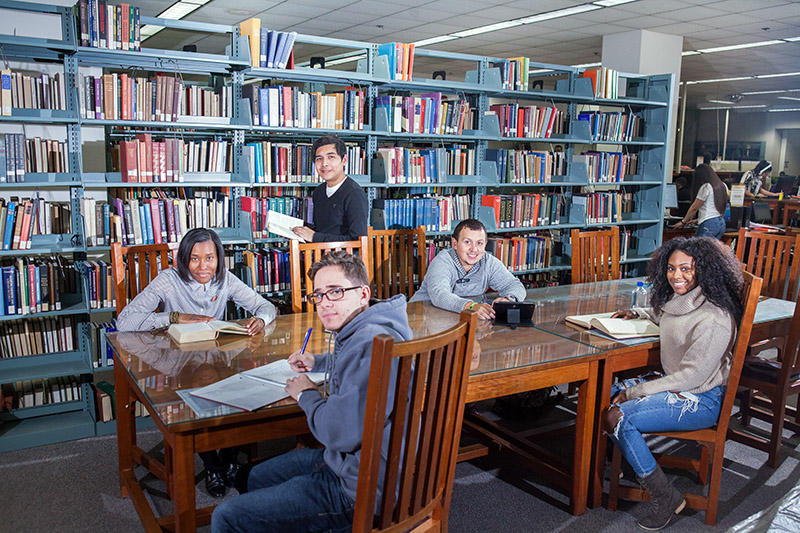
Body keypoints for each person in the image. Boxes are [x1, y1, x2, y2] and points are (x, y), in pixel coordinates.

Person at [211, 251, 412, 532]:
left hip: (360, 489)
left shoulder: (367, 342)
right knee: (249, 476)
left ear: (363, 294)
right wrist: (318, 361)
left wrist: (307, 394)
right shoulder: (377, 328)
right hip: (361, 464)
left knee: (226, 517)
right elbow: (360, 370)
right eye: (318, 295)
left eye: (336, 292)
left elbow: (340, 434)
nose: (325, 304)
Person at [116, 227, 277, 498]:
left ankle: (228, 458)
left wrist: (261, 319)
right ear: (184, 259)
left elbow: (266, 307)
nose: (203, 267)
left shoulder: (225, 279)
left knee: (242, 392)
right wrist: (174, 318)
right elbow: (125, 322)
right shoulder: (168, 280)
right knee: (195, 400)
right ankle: (211, 464)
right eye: (194, 259)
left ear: (219, 258)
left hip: (219, 358)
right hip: (179, 363)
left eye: (210, 258)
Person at [605, 237, 744, 530]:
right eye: (670, 268)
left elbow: (692, 377)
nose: (676, 276)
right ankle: (626, 457)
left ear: (704, 271)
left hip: (699, 398)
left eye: (685, 269)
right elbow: (665, 315)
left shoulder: (715, 318)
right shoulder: (680, 300)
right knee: (606, 393)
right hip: (677, 388)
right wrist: (639, 313)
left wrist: (636, 391)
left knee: (618, 416)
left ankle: (664, 496)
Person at [409, 218, 526, 320]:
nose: (474, 249)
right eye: (467, 242)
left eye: (479, 243)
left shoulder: (488, 262)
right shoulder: (443, 261)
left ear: (485, 244)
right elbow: (439, 295)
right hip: (420, 318)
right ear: (455, 243)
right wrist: (471, 306)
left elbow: (514, 284)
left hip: (457, 319)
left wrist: (508, 299)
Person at [292, 135, 369, 242]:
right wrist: (299, 230)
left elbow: (357, 240)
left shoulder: (354, 194)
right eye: (319, 159)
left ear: (344, 160)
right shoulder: (319, 192)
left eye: (331, 157)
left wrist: (314, 237)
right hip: (320, 254)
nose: (324, 164)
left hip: (344, 257)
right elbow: (325, 229)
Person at [673, 164, 728, 239]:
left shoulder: (706, 187)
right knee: (711, 249)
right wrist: (698, 220)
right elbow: (715, 209)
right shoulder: (723, 185)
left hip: (709, 224)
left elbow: (694, 208)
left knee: (697, 248)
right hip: (721, 223)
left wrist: (683, 222)